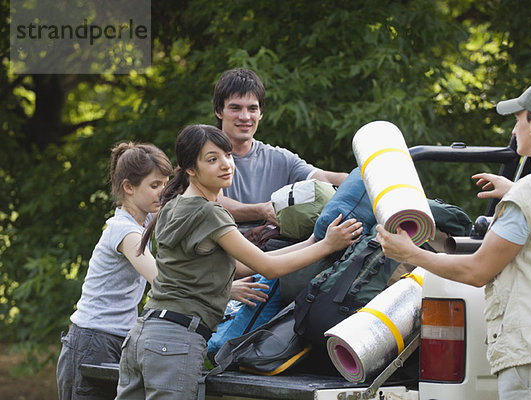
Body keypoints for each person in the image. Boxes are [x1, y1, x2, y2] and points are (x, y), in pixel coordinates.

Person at [376, 80, 531, 399]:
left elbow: (477, 271)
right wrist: (516, 190)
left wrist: (410, 253)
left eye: (517, 119)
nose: (513, 130)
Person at [115, 124, 362, 400]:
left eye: (228, 155)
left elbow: (245, 265)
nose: (226, 165)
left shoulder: (173, 206)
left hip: (142, 335)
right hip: (175, 342)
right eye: (212, 159)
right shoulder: (209, 214)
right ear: (190, 170)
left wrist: (311, 243)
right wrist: (329, 245)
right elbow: (269, 269)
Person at [56, 142, 173, 400]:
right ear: (128, 187)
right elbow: (161, 280)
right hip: (92, 342)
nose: (163, 192)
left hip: (117, 340)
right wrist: (224, 290)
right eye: (155, 186)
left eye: (166, 184)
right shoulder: (125, 231)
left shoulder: (141, 226)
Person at [213, 68, 348, 226]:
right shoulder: (202, 156)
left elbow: (325, 179)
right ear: (219, 111)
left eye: (252, 109)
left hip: (276, 249)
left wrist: (364, 179)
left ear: (261, 113)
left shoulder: (280, 159)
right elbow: (214, 205)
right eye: (235, 108)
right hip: (222, 248)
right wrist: (263, 210)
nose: (245, 117)